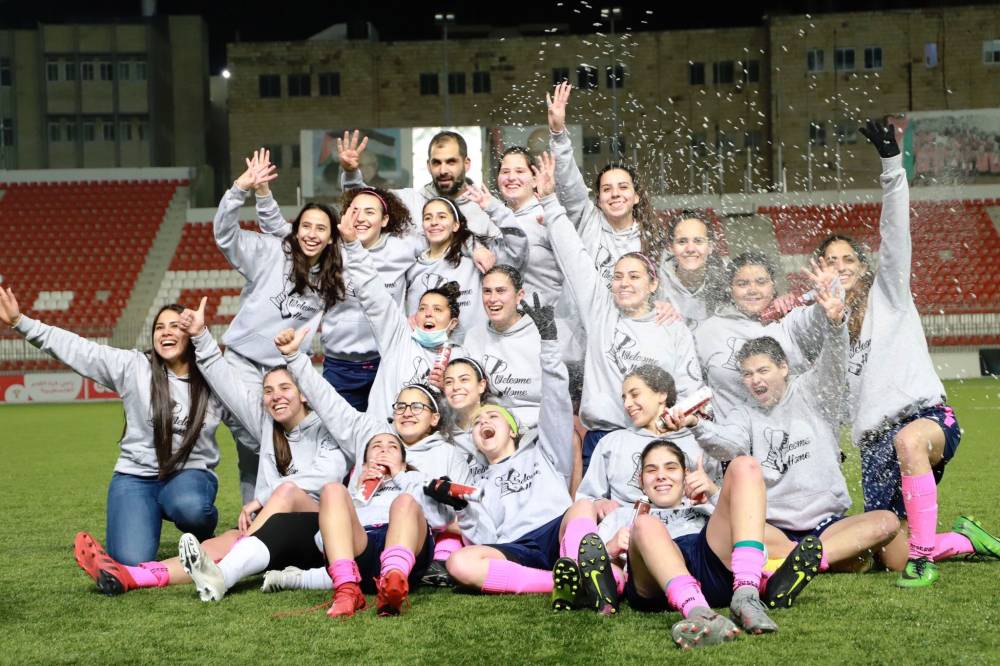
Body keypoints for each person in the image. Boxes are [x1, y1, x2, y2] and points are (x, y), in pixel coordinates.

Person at [816, 119, 1000, 587]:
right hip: (873, 447)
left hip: (922, 420)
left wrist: (891, 164)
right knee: (889, 557)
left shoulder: (889, 296)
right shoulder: (825, 328)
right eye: (830, 262)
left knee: (909, 442)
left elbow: (896, 233)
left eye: (848, 259)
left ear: (864, 268)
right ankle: (962, 540)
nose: (841, 267)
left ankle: (924, 558)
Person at [671, 274, 903, 606]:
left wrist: (836, 323)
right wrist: (696, 424)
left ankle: (800, 562)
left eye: (762, 371)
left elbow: (834, 360)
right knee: (740, 532)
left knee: (887, 522)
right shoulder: (743, 413)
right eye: (747, 374)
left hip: (827, 524)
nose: (755, 380)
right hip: (774, 529)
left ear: (783, 368)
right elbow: (724, 444)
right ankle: (815, 559)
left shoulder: (815, 391)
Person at [0, 287, 222, 567]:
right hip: (136, 477)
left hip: (188, 475)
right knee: (130, 561)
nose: (166, 332)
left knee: (191, 508)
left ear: (191, 334)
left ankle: (203, 531)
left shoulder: (214, 377)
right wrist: (20, 322)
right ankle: (147, 511)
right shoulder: (134, 367)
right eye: (159, 327)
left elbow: (247, 430)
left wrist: (259, 498)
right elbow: (79, 349)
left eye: (175, 326)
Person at [252, 326, 472, 593]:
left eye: (417, 407)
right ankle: (337, 587)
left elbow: (465, 513)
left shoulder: (448, 453)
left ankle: (306, 578)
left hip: (411, 542)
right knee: (333, 493)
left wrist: (418, 493)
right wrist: (295, 358)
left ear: (434, 417)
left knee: (404, 505)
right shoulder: (369, 432)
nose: (407, 413)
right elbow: (327, 401)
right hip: (362, 536)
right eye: (401, 406)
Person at [441, 296, 621, 613]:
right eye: (478, 422)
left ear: (513, 430)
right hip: (514, 546)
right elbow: (482, 537)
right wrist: (463, 510)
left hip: (555, 532)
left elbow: (555, 401)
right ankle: (565, 582)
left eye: (493, 417)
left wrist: (549, 342)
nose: (483, 422)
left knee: (581, 507)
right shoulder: (475, 479)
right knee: (460, 563)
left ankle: (578, 567)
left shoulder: (544, 452)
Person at [534, 152, 705, 472]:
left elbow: (691, 389)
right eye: (618, 276)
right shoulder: (599, 310)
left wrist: (689, 423)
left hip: (661, 439)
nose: (624, 283)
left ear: (654, 283)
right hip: (605, 437)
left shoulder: (672, 325)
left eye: (634, 276)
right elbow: (573, 254)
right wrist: (549, 201)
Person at [178, 432, 449, 616]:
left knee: (404, 502)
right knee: (332, 490)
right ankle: (347, 591)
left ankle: (392, 583)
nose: (383, 450)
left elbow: (440, 520)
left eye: (392, 447)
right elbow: (322, 540)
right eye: (376, 447)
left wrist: (400, 476)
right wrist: (358, 493)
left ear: (404, 460)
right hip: (364, 548)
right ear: (365, 460)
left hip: (406, 551)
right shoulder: (354, 492)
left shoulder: (417, 481)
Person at [213, 148, 345, 503]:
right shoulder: (273, 252)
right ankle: (265, 512)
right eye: (306, 227)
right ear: (295, 231)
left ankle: (275, 511)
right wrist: (241, 189)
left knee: (274, 439)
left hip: (287, 366)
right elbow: (225, 235)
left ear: (331, 237)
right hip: (244, 360)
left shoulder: (332, 276)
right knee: (258, 437)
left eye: (321, 228)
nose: (312, 234)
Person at [182, 298, 351, 534]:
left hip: (317, 529)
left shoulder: (329, 426)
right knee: (219, 543)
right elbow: (229, 386)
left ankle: (246, 544)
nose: (276, 396)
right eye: (268, 391)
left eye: (285, 388)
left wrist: (264, 497)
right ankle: (152, 569)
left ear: (304, 393)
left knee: (274, 507)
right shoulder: (267, 425)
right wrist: (200, 335)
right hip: (274, 525)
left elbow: (328, 475)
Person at [255, 175, 421, 411]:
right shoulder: (331, 248)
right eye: (354, 211)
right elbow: (283, 231)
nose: (360, 218)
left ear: (384, 220)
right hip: (340, 366)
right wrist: (263, 192)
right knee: (338, 430)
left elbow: (444, 240)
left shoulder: (403, 247)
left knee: (389, 429)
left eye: (370, 212)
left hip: (386, 361)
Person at [592, 441, 777, 648]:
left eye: (671, 468)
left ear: (685, 475)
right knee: (645, 524)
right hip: (654, 582)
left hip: (708, 565)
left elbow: (760, 543)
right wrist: (610, 549)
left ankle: (746, 596)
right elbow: (590, 567)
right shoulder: (622, 515)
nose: (661, 476)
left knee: (746, 465)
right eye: (651, 470)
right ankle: (699, 613)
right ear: (641, 481)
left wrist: (713, 492)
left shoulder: (706, 507)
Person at [337, 205, 469, 427]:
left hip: (429, 443)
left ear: (453, 322)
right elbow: (373, 293)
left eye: (438, 310)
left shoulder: (459, 359)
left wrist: (446, 391)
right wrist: (352, 245)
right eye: (423, 308)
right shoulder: (398, 338)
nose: (428, 313)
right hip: (384, 438)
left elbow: (464, 415)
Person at [337, 129, 519, 271]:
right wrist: (351, 173)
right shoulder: (409, 201)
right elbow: (361, 201)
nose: (443, 170)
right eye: (436, 162)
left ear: (466, 164)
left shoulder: (487, 209)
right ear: (428, 165)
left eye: (451, 162)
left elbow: (509, 259)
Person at [694, 252, 836, 420]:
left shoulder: (791, 319)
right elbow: (692, 389)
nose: (752, 290)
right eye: (742, 284)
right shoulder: (706, 332)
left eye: (761, 282)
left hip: (795, 429)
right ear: (730, 288)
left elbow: (827, 317)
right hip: (734, 433)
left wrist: (833, 289)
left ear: (773, 286)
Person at [546, 82, 663, 280]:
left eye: (623, 187)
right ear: (599, 200)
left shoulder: (651, 240)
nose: (615, 194)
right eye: (607, 189)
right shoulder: (587, 220)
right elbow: (570, 183)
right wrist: (558, 135)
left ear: (636, 196)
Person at [576, 364, 721, 513]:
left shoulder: (700, 441)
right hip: (628, 523)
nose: (627, 404)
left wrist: (710, 490)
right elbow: (586, 499)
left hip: (689, 522)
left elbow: (724, 504)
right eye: (624, 398)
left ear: (662, 394)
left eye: (635, 394)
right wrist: (599, 503)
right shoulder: (611, 443)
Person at [404, 192, 525, 343]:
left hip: (475, 350)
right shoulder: (413, 268)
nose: (434, 222)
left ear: (456, 225)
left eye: (442, 217)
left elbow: (518, 250)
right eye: (428, 218)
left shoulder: (477, 258)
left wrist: (494, 208)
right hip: (425, 352)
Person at [461, 265, 543, 428]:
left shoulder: (543, 331)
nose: (492, 299)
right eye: (487, 291)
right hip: (493, 425)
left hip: (541, 424)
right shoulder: (474, 336)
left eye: (500, 291)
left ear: (519, 296)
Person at [655, 211, 728, 323]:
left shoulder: (728, 279)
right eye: (682, 241)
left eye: (698, 241)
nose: (690, 249)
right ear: (670, 247)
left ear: (710, 247)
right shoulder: (655, 282)